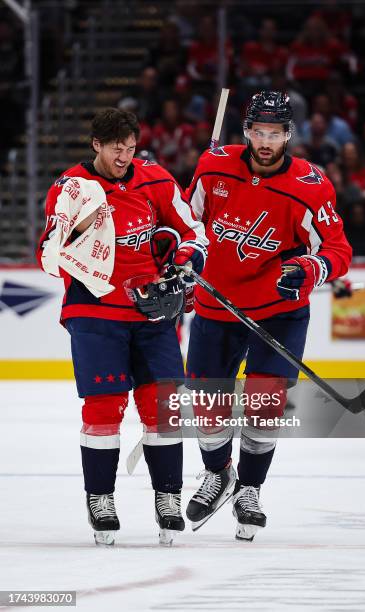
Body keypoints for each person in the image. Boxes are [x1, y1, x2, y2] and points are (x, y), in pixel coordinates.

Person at [184, 91, 352, 541]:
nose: (265, 141)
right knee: (207, 402)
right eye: (258, 132)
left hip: (279, 311)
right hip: (216, 305)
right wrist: (181, 255)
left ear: (288, 135)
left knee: (264, 406)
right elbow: (187, 223)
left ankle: (249, 490)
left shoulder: (310, 186)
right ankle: (219, 474)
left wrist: (309, 269)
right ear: (246, 132)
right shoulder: (213, 167)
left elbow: (337, 250)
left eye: (274, 133)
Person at [37, 108, 208, 546]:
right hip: (95, 312)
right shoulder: (71, 187)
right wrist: (72, 247)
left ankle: (167, 498)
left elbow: (193, 231)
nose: (124, 156)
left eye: (131, 148)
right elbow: (49, 257)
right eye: (116, 148)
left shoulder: (153, 178)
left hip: (152, 311)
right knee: (103, 410)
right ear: (96, 144)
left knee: (162, 409)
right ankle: (101, 499)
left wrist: (183, 260)